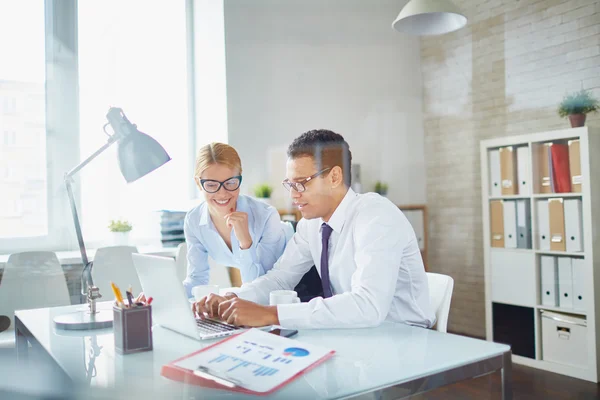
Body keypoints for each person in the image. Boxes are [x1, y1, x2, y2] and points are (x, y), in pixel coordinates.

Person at [193, 130, 435, 329]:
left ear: (334, 177)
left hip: (404, 338)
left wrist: (271, 314)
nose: (294, 194)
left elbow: (368, 306)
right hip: (355, 334)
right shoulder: (312, 224)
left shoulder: (376, 217)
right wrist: (232, 298)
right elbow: (280, 278)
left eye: (301, 183)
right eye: (290, 184)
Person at [182, 142, 286, 298]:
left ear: (239, 179)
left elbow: (263, 287)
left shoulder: (266, 216)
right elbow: (197, 279)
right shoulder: (194, 220)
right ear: (198, 183)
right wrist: (162, 297)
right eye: (211, 185)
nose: (222, 194)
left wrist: (246, 242)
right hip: (262, 291)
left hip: (294, 285)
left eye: (230, 183)